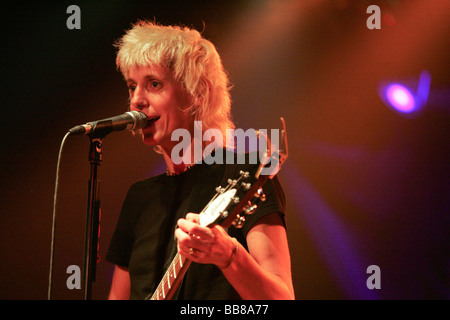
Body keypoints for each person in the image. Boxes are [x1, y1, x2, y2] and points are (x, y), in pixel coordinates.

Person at [106, 20, 295, 300]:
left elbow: (282, 298)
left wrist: (230, 257)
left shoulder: (245, 175)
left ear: (198, 93)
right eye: (132, 86)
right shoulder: (139, 197)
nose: (136, 100)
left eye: (153, 84)